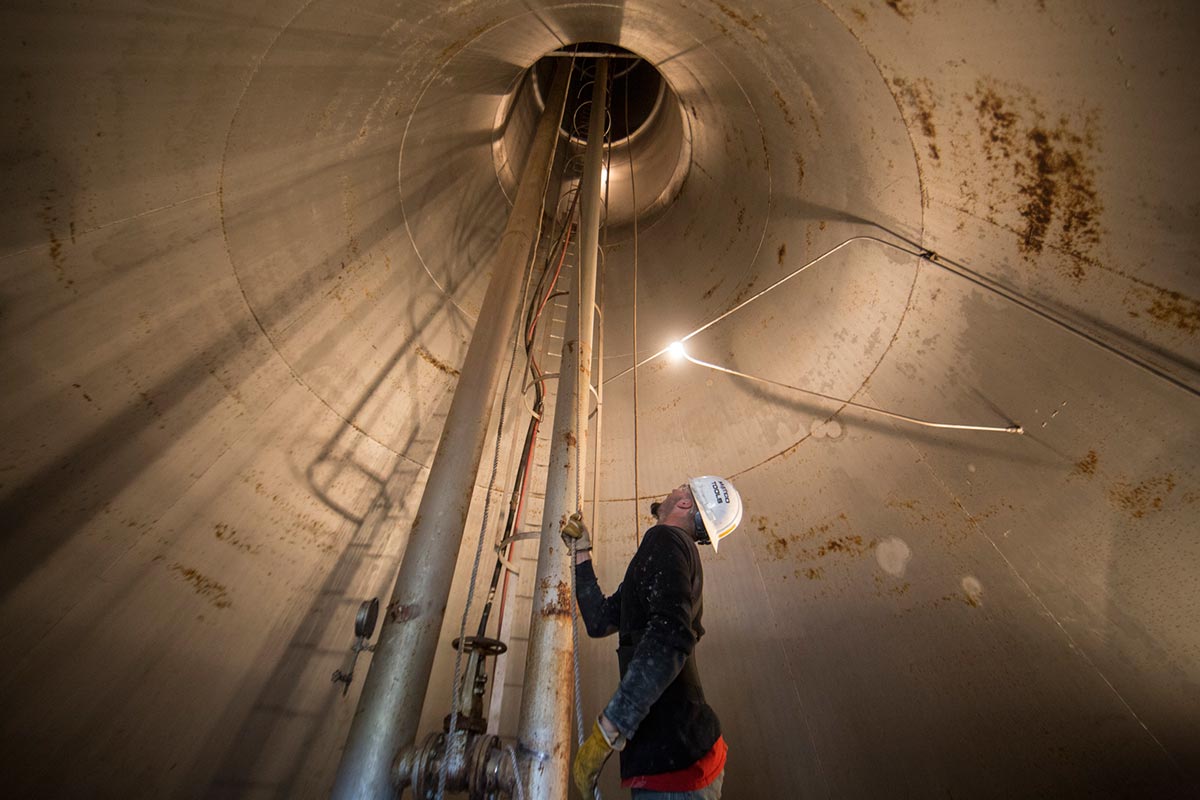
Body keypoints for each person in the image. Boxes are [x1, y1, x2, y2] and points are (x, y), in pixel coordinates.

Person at [562, 476, 743, 798]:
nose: (674, 490)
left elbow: (670, 637)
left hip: (676, 766)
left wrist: (609, 728)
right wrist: (581, 552)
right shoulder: (668, 551)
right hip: (680, 759)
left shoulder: (665, 539)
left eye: (682, 488)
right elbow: (600, 621)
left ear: (686, 503)